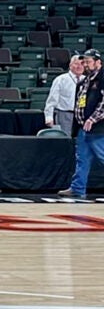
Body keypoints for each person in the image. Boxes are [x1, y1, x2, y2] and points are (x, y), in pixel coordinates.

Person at [60, 49, 104, 198]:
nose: (85, 64)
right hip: (82, 127)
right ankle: (77, 188)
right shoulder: (85, 80)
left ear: (98, 62)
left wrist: (93, 119)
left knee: (103, 156)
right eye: (84, 61)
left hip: (98, 127)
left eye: (88, 61)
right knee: (82, 158)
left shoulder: (102, 77)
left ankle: (77, 188)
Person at [45, 54, 84, 136]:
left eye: (82, 64)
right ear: (70, 65)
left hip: (81, 116)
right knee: (65, 140)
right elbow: (51, 100)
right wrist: (49, 117)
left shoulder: (86, 80)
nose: (79, 66)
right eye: (76, 64)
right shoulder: (61, 80)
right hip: (64, 115)